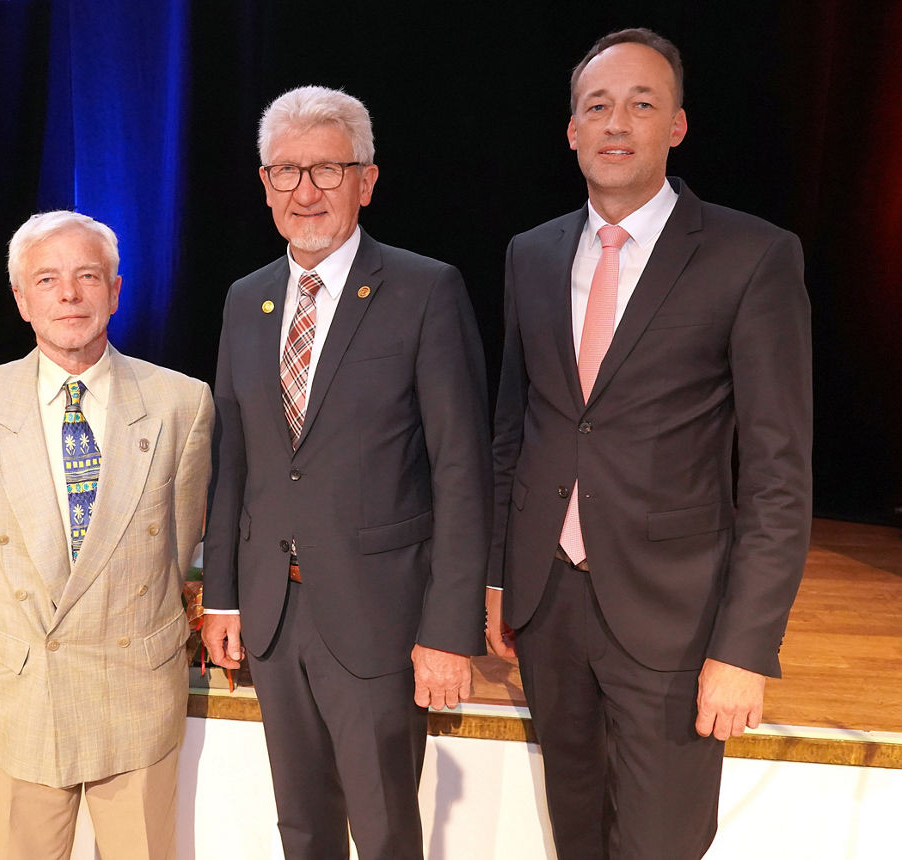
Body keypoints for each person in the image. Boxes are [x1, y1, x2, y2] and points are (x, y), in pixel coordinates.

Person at [487, 27, 813, 859]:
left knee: (662, 844)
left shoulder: (752, 255)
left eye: (642, 103)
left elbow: (778, 476)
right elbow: (512, 434)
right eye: (597, 106)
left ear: (677, 125)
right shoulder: (531, 255)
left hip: (677, 621)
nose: (617, 123)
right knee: (578, 838)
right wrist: (497, 577)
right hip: (549, 608)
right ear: (571, 129)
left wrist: (745, 648)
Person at [201, 85, 492, 860]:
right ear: (264, 183)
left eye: (327, 170)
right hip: (271, 615)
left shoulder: (426, 291)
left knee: (387, 832)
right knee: (301, 827)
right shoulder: (244, 300)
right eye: (286, 171)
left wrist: (449, 629)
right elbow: (234, 461)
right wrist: (223, 597)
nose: (305, 191)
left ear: (366, 180)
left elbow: (462, 469)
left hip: (381, 619)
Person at [0, 210, 213, 860]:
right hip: (28, 689)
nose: (69, 295)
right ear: (21, 299)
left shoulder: (182, 403)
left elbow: (178, 542)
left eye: (88, 276)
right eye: (49, 279)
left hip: (136, 686)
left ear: (116, 291)